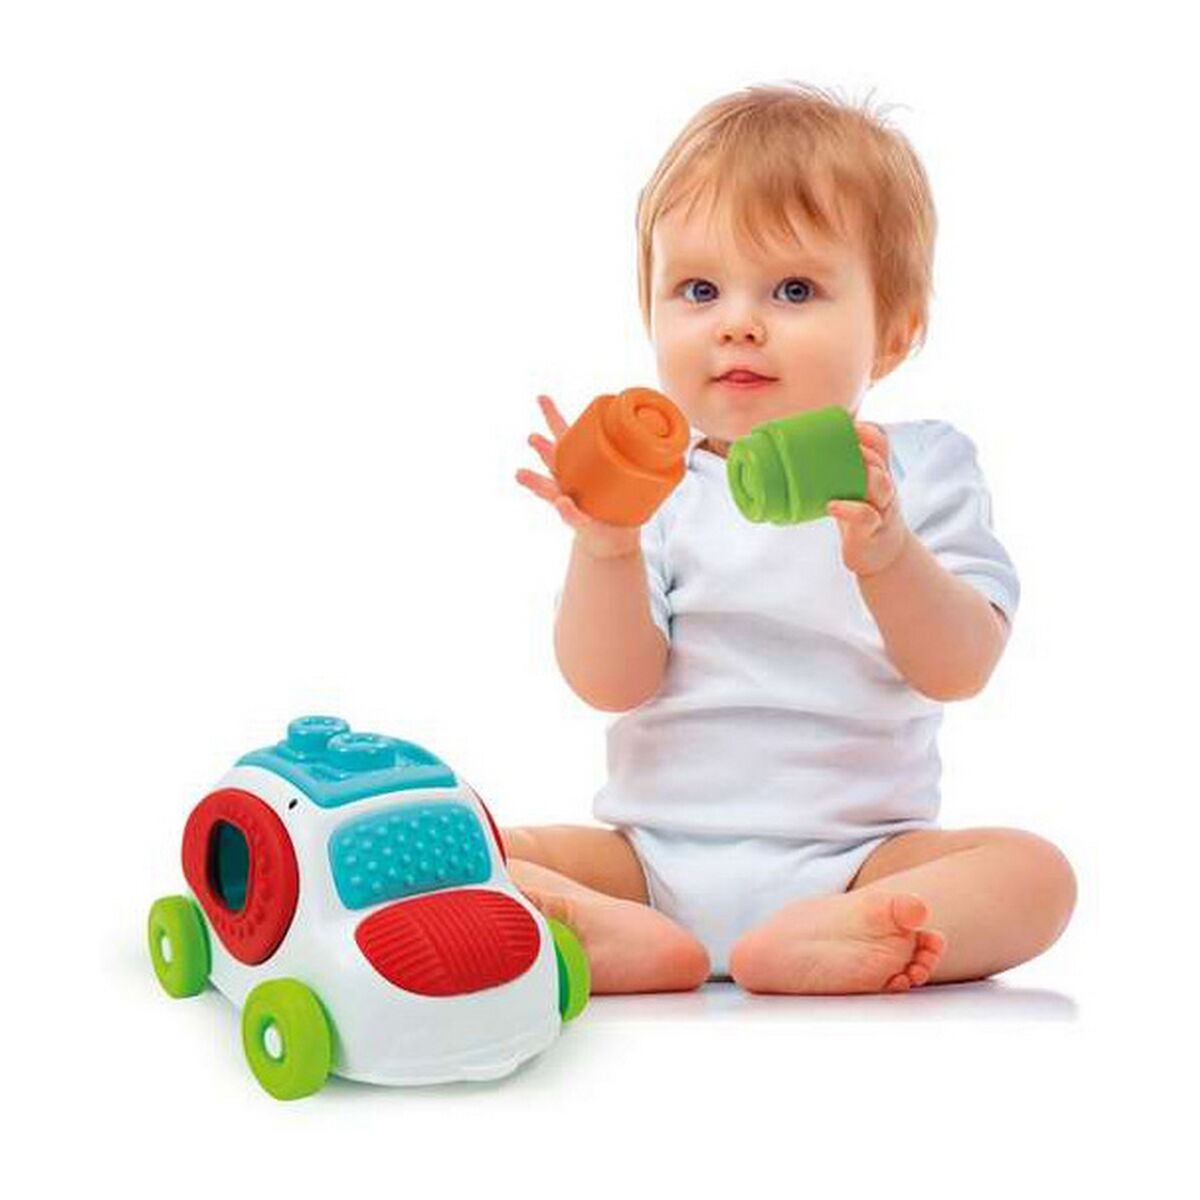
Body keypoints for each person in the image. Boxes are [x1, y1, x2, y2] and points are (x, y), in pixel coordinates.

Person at [511, 81, 1075, 995]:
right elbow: (608, 684)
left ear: (893, 333)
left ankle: (831, 936)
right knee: (483, 842)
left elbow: (961, 667)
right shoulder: (657, 489)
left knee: (1038, 875)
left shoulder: (918, 469)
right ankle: (630, 935)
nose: (738, 322)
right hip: (649, 860)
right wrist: (604, 546)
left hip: (861, 862)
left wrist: (889, 554)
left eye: (795, 289)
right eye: (699, 290)